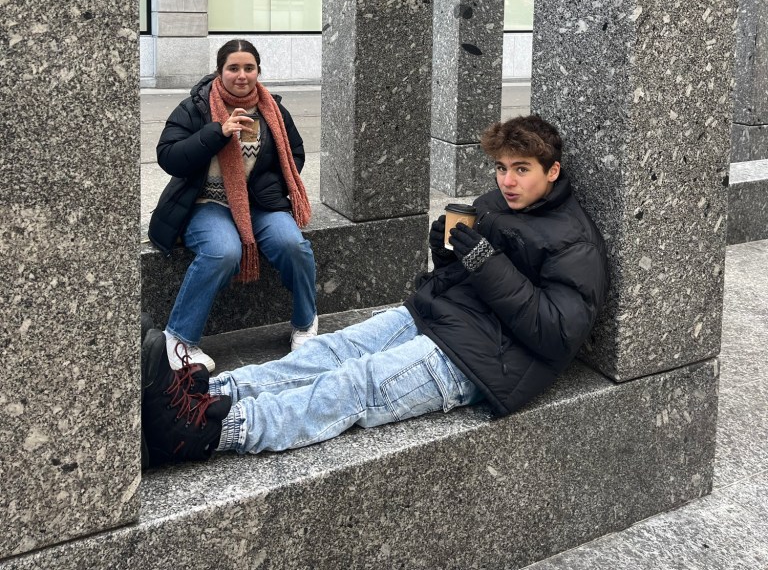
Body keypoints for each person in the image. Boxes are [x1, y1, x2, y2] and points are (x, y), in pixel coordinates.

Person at [142, 114, 607, 465]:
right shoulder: (494, 204)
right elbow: (468, 277)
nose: (507, 181)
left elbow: (555, 334)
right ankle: (198, 393)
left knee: (353, 384)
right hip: (438, 315)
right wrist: (448, 255)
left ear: (552, 171)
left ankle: (204, 430)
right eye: (501, 168)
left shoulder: (575, 242)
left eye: (522, 169)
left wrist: (485, 263)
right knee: (328, 351)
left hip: (483, 358)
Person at [148, 38, 317, 374]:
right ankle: (178, 338)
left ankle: (305, 323)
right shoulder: (195, 108)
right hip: (207, 202)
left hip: (258, 204)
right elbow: (168, 157)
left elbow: (294, 154)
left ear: (258, 71)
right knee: (222, 251)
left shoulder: (273, 110)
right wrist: (217, 132)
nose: (242, 75)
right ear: (219, 71)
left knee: (293, 245)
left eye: (249, 68)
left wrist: (268, 185)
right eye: (233, 68)